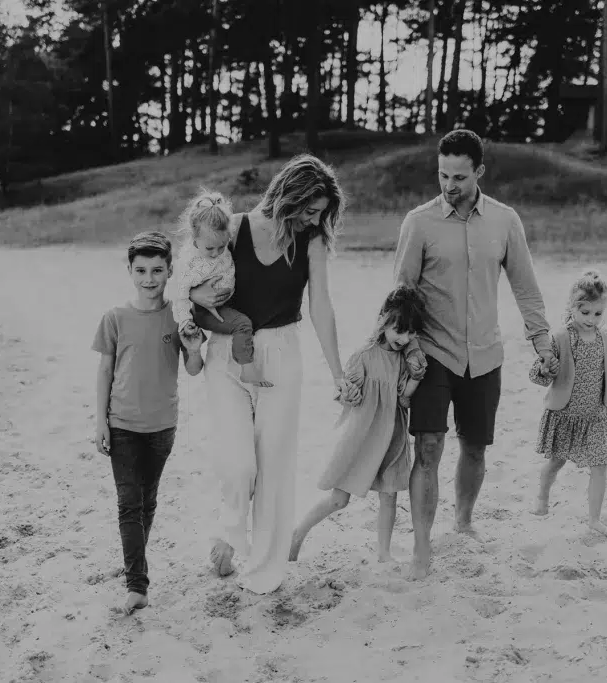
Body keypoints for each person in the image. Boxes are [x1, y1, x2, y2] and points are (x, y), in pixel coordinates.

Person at [188, 154, 356, 595]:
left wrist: (338, 372)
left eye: (320, 215)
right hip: (228, 355)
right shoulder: (236, 227)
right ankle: (230, 528)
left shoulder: (313, 242)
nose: (314, 220)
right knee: (239, 464)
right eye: (309, 211)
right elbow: (197, 273)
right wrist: (194, 303)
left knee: (275, 467)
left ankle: (263, 569)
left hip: (282, 354)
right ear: (288, 197)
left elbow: (321, 305)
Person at [394, 129, 558, 580]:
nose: (450, 185)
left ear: (479, 172)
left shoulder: (505, 222)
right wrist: (402, 349)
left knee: (475, 448)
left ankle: (464, 523)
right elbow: (400, 295)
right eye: (444, 174)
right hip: (430, 354)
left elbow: (526, 290)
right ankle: (422, 545)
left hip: (485, 355)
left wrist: (543, 346)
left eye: (460, 177)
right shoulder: (418, 223)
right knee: (428, 446)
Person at [92, 231, 205, 614]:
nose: (149, 278)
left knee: (148, 501)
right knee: (128, 504)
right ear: (130, 270)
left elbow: (193, 369)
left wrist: (193, 350)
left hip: (162, 426)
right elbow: (105, 371)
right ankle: (137, 584)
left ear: (170, 271)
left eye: (157, 270)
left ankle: (133, 559)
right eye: (140, 270)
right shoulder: (115, 318)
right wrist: (100, 421)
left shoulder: (179, 316)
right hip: (122, 424)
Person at [289, 286, 429, 565]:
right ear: (384, 321)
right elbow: (345, 395)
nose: (405, 338)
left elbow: (403, 400)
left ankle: (383, 553)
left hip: (393, 437)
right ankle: (297, 534)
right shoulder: (365, 356)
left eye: (411, 333)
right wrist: (348, 394)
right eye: (399, 329)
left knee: (390, 496)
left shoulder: (404, 359)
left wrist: (415, 378)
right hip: (362, 438)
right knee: (339, 500)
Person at [530, 269, 607, 537]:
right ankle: (542, 497)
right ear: (572, 308)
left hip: (594, 416)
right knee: (556, 462)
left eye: (597, 313)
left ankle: (594, 518)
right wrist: (547, 369)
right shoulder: (561, 338)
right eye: (585, 313)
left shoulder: (606, 337)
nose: (591, 319)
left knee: (600, 465)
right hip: (566, 414)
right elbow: (538, 373)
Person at [171, 188, 270, 387]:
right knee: (242, 324)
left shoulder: (219, 242)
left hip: (224, 302)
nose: (216, 253)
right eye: (210, 248)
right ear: (194, 239)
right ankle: (247, 369)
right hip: (206, 312)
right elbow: (179, 297)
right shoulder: (190, 265)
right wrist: (185, 321)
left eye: (222, 247)